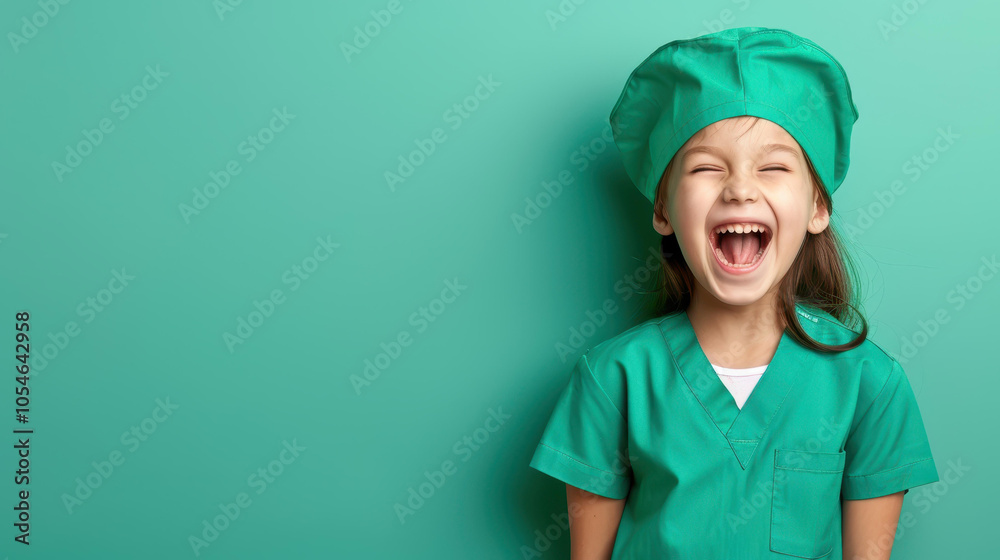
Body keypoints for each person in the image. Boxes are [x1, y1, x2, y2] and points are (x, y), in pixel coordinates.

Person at [528, 27, 939, 559]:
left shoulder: (870, 384)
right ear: (663, 211)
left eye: (772, 167)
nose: (740, 188)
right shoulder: (613, 378)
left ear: (817, 207)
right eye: (705, 167)